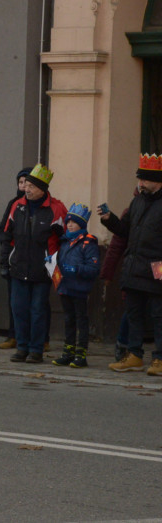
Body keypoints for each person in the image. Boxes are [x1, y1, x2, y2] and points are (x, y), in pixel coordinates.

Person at [101, 154, 162, 376]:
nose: (140, 183)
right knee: (134, 313)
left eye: (145, 179)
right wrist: (110, 219)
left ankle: (159, 359)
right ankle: (134, 355)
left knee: (159, 315)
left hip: (158, 269)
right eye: (140, 179)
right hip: (135, 268)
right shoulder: (137, 201)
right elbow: (124, 231)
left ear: (158, 180)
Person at [0, 163, 66, 364]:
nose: (26, 189)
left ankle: (36, 349)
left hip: (43, 270)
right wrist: (5, 261)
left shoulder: (56, 209)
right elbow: (7, 235)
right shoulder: (17, 206)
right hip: (18, 266)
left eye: (31, 186)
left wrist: (57, 265)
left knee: (38, 310)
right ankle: (22, 347)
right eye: (25, 185)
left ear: (42, 189)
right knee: (19, 309)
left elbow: (65, 239)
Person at [52, 204, 100, 368]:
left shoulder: (88, 243)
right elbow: (61, 261)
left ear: (82, 224)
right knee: (68, 320)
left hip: (79, 289)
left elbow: (93, 269)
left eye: (73, 222)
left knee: (81, 320)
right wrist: (52, 263)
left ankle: (81, 354)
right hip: (65, 287)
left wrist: (76, 269)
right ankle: (68, 352)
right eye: (68, 222)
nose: (70, 225)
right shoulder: (65, 241)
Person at [0, 167, 31, 350]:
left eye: (27, 182)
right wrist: (6, 243)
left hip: (32, 260)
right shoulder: (14, 203)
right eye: (20, 182)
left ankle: (40, 338)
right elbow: (3, 229)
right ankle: (14, 335)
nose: (24, 186)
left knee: (35, 304)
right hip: (13, 257)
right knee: (14, 301)